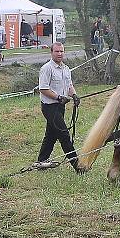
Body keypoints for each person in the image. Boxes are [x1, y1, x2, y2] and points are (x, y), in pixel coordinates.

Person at [36, 42, 82, 173]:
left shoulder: (66, 69)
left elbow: (69, 85)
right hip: (50, 107)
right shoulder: (47, 68)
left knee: (50, 136)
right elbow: (43, 88)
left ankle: (41, 162)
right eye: (57, 51)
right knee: (63, 135)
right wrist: (58, 97)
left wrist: (74, 95)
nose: (59, 54)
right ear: (51, 53)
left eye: (61, 51)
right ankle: (77, 165)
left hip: (60, 107)